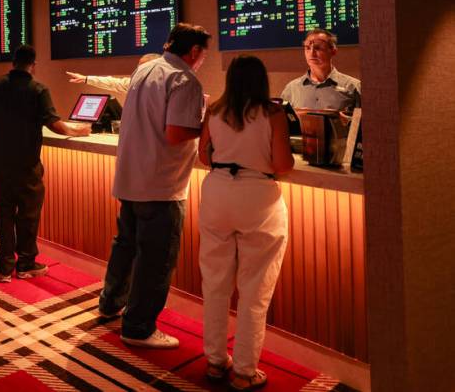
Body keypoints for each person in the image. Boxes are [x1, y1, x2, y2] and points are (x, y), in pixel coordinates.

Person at [99, 23, 211, 349]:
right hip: (162, 184)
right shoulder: (185, 80)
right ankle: (138, 327)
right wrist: (210, 124)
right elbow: (176, 133)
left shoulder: (144, 70)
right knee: (156, 259)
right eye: (203, 54)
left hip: (130, 177)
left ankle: (110, 303)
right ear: (194, 52)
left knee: (126, 246)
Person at [198, 55, 294, 390]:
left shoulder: (214, 111)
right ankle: (243, 371)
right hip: (258, 200)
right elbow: (282, 164)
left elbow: (202, 155)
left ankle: (214, 361)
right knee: (255, 289)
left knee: (215, 283)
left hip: (217, 194)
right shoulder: (273, 114)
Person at [0, 45, 91, 282]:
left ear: (13, 62)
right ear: (33, 65)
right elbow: (54, 124)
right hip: (26, 164)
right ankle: (26, 263)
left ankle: (4, 268)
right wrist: (78, 132)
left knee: (3, 214)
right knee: (28, 215)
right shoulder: (38, 89)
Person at [280, 28, 361, 113]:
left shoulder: (353, 87)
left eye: (317, 48)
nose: (311, 53)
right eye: (307, 48)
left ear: (333, 51)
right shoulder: (291, 89)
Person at [65, 53, 161, 95]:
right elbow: (113, 83)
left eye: (143, 68)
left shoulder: (167, 88)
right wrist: (86, 79)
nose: (138, 72)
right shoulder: (135, 85)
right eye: (138, 68)